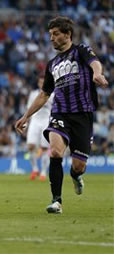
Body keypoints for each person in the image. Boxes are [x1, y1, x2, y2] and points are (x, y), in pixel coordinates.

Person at [15, 16, 108, 214]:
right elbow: (44, 95)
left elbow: (95, 62)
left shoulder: (81, 50)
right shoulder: (51, 64)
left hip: (82, 114)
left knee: (79, 165)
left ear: (67, 34)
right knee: (56, 152)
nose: (52, 38)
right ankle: (56, 201)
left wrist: (97, 74)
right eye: (50, 35)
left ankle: (75, 176)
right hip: (60, 112)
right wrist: (26, 116)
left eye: (56, 34)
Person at [25, 76, 53, 181]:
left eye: (43, 82)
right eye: (40, 82)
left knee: (45, 148)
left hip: (46, 121)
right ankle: (35, 169)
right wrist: (25, 121)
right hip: (35, 121)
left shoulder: (52, 94)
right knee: (30, 146)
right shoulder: (33, 94)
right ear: (38, 83)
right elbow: (29, 109)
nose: (42, 84)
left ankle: (43, 172)